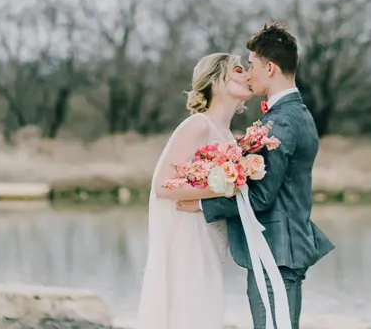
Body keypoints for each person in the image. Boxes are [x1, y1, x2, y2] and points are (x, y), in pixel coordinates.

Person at [177, 22, 334, 329]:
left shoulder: (282, 122)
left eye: (251, 65)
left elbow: (261, 196)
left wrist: (201, 205)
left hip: (277, 252)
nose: (248, 74)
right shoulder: (291, 114)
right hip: (278, 250)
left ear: (270, 68)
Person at [135, 52, 255, 329]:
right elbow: (163, 185)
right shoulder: (198, 125)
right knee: (191, 308)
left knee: (205, 308)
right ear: (214, 80)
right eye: (238, 69)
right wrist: (229, 186)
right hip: (189, 234)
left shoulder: (228, 134)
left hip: (212, 231)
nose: (247, 75)